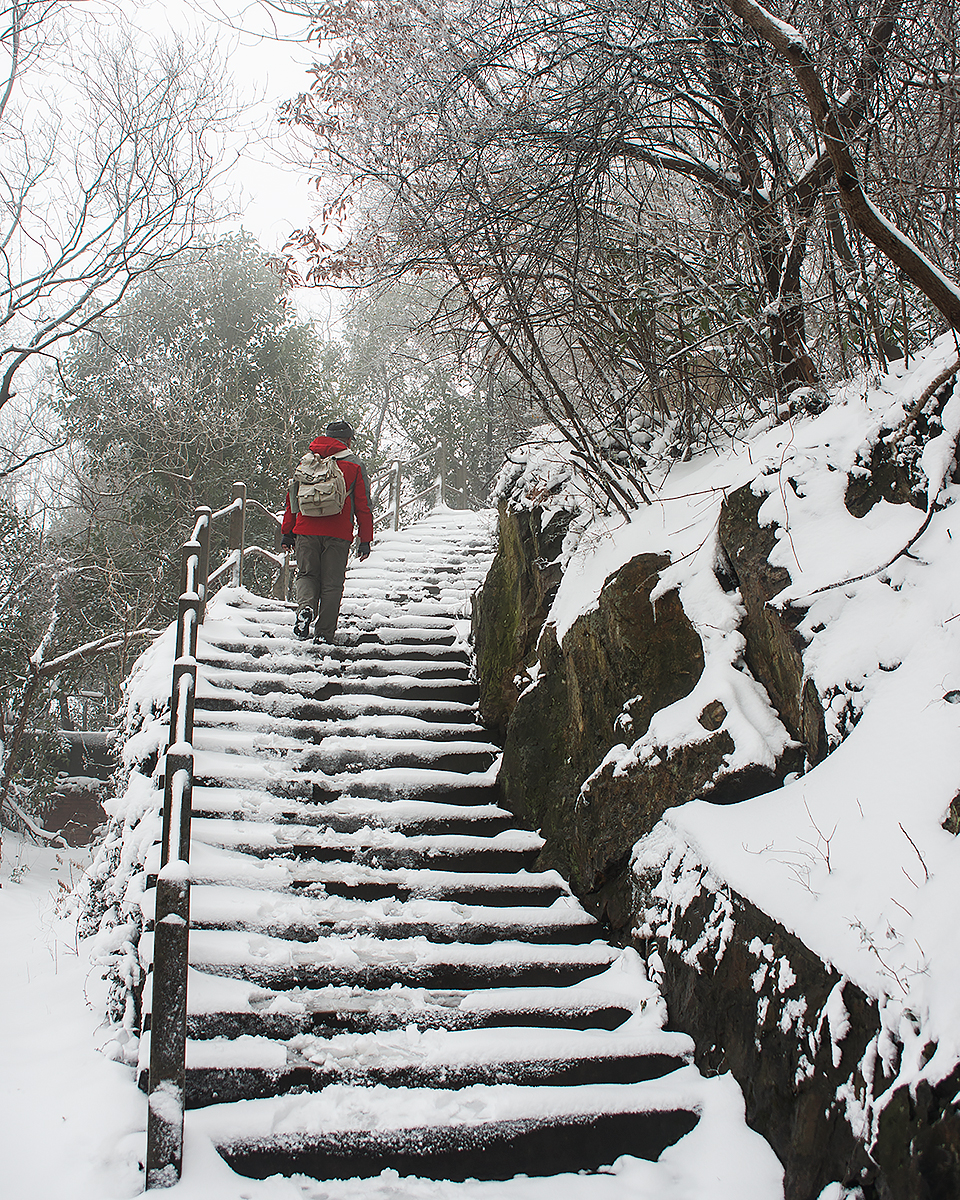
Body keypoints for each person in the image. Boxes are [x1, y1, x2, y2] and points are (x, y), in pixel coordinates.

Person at [280, 420, 373, 643]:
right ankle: (323, 634)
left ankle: (306, 608)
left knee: (307, 575)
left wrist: (287, 532)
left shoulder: (308, 460)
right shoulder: (354, 464)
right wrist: (365, 539)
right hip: (338, 533)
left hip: (306, 529)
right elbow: (363, 505)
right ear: (348, 440)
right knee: (332, 584)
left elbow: (292, 499)